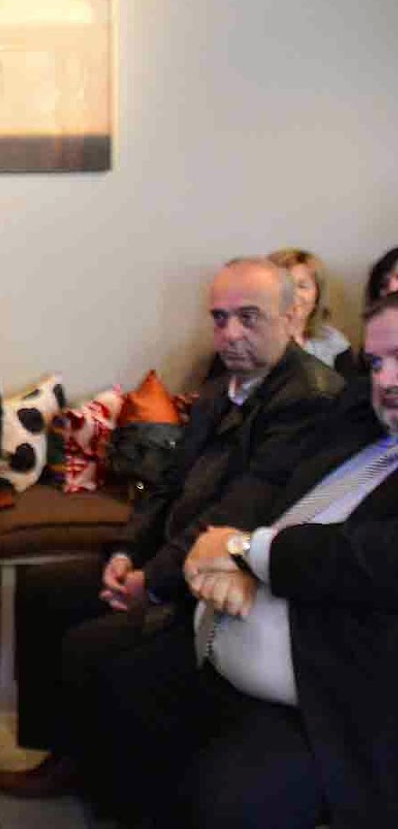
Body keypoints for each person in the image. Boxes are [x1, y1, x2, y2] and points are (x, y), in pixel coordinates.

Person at [0, 258, 342, 802]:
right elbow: (166, 486)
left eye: (248, 317)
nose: (230, 333)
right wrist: (126, 553)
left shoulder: (307, 397)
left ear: (291, 314)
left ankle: (99, 776)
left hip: (221, 577)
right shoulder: (220, 388)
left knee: (91, 646)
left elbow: (238, 511)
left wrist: (152, 581)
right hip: (167, 556)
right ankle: (62, 754)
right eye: (220, 318)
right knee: (43, 593)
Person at [103, 293, 398, 828]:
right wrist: (239, 562)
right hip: (230, 629)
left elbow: (371, 559)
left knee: (235, 794)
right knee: (127, 687)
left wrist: (247, 554)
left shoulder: (310, 394)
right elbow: (274, 494)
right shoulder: (363, 427)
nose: (386, 380)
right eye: (376, 362)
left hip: (333, 696)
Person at [269, 247, 357, 375]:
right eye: (284, 285)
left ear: (317, 295)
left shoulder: (335, 344)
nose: (293, 294)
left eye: (302, 286)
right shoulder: (248, 340)